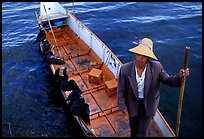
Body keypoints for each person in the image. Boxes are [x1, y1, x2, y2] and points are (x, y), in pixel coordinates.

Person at [117, 38, 189, 137]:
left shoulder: (157, 67)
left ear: (148, 58)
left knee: (142, 133)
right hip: (132, 105)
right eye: (139, 54)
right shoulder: (125, 69)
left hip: (148, 106)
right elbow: (121, 89)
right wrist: (122, 106)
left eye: (144, 55)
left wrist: (180, 76)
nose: (140, 58)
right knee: (133, 130)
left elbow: (169, 80)